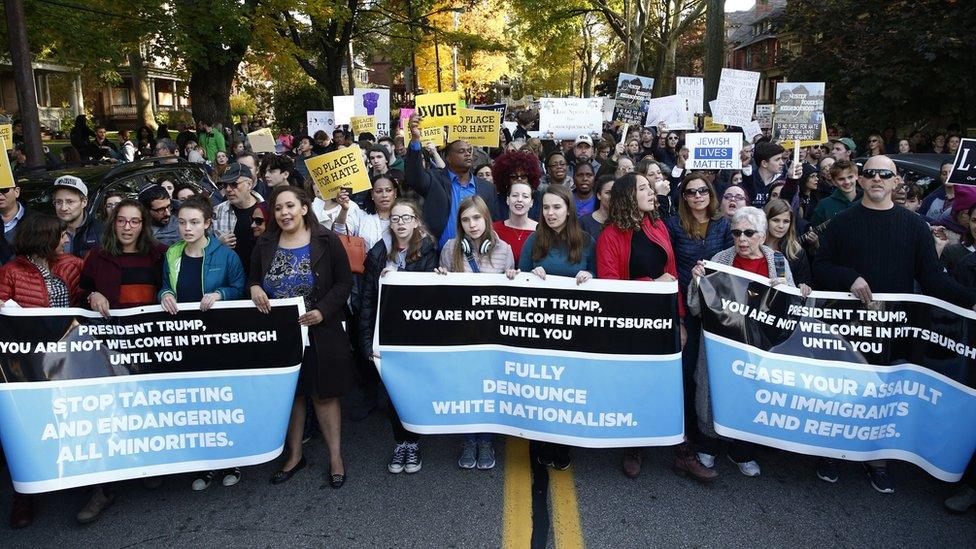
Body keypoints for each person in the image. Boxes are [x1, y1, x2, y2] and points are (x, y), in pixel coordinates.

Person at [813, 155, 976, 492]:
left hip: (894, 327)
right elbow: (821, 265)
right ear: (860, 180)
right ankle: (832, 452)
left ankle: (878, 459)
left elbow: (931, 277)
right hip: (849, 324)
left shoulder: (915, 226)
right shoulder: (842, 222)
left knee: (884, 393)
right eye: (870, 173)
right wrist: (850, 278)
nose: (876, 179)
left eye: (884, 174)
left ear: (895, 181)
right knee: (843, 389)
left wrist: (969, 300)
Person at [251, 186, 354, 488]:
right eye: (279, 208)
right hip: (282, 332)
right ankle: (295, 455)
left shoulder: (326, 239)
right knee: (292, 395)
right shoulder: (266, 242)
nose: (284, 213)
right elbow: (253, 277)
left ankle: (335, 457)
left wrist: (323, 311)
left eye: (290, 206)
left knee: (324, 394)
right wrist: (255, 288)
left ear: (304, 208)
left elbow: (344, 282)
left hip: (321, 329)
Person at [689, 206, 803, 478]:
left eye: (749, 233)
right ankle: (708, 445)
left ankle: (742, 451)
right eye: (737, 232)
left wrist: (785, 291)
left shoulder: (777, 262)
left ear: (762, 236)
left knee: (749, 395)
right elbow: (696, 308)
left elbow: (791, 310)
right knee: (713, 392)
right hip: (721, 345)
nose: (741, 239)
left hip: (757, 349)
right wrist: (696, 282)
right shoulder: (720, 259)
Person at [595, 173, 686, 478]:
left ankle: (680, 447)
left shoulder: (658, 225)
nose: (651, 191)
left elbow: (671, 273)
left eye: (651, 186)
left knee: (668, 382)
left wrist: (680, 319)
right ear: (627, 197)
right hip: (631, 322)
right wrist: (651, 282)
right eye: (644, 188)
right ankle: (634, 445)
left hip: (663, 317)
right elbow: (610, 285)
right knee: (635, 384)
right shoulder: (610, 236)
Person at [0, 214, 83, 529]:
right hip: (27, 364)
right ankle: (25, 496)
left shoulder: (72, 265)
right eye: (61, 235)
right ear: (44, 238)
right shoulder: (10, 272)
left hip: (67, 357)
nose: (65, 239)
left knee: (70, 417)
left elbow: (82, 302)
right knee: (29, 427)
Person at [159, 195, 245, 491]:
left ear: (208, 223)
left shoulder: (225, 255)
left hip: (219, 337)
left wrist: (220, 294)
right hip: (186, 337)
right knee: (196, 402)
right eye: (182, 222)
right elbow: (165, 286)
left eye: (194, 222)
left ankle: (232, 459)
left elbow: (239, 287)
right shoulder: (172, 253)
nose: (187, 228)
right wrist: (164, 295)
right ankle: (206, 464)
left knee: (222, 400)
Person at [510, 185, 595, 470]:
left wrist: (589, 274)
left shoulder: (585, 240)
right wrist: (531, 276)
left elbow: (602, 283)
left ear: (568, 209)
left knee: (567, 389)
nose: (550, 213)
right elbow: (520, 280)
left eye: (556, 207)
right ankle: (539, 441)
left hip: (574, 332)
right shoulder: (534, 241)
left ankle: (562, 444)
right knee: (541, 389)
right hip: (539, 330)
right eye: (546, 208)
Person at [360, 200, 438, 473]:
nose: (401, 223)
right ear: (389, 223)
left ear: (416, 221)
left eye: (407, 218)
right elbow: (367, 300)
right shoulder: (379, 252)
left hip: (417, 334)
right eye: (395, 219)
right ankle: (400, 441)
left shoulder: (429, 249)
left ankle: (413, 441)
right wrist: (367, 341)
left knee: (412, 389)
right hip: (386, 334)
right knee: (393, 391)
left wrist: (399, 275)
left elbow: (428, 293)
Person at [437, 195, 515, 470]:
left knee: (489, 388)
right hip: (463, 334)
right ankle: (469, 439)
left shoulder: (504, 249)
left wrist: (513, 279)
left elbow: (513, 295)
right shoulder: (449, 249)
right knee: (466, 387)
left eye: (477, 218)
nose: (472, 225)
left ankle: (486, 439)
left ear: (486, 218)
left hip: (492, 336)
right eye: (466, 220)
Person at [665, 173, 733, 481]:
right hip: (687, 306)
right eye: (691, 192)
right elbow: (670, 264)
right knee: (689, 370)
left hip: (721, 310)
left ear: (711, 194)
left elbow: (735, 261)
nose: (697, 196)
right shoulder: (674, 224)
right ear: (684, 197)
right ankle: (691, 434)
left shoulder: (723, 224)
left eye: (703, 190)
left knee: (720, 371)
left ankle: (719, 433)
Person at [405, 114, 499, 248]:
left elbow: (493, 223)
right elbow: (414, 177)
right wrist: (415, 139)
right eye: (461, 151)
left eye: (469, 151)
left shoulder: (487, 188)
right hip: (439, 258)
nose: (468, 154)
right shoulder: (435, 179)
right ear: (448, 157)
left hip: (478, 257)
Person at [213, 163, 263, 276]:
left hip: (261, 277)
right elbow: (205, 248)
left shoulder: (267, 209)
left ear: (249, 184)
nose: (228, 189)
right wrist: (218, 244)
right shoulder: (216, 212)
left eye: (234, 184)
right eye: (225, 185)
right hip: (231, 278)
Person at [763, 199, 813, 291]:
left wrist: (803, 287)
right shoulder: (754, 246)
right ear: (766, 220)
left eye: (786, 221)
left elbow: (804, 282)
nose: (781, 226)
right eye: (776, 220)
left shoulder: (796, 251)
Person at [51, 175, 103, 258]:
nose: (63, 208)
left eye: (70, 202)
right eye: (59, 202)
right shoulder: (46, 232)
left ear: (84, 202)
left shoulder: (102, 232)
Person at [493, 175, 538, 261]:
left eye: (525, 196)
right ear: (507, 200)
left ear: (531, 202)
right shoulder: (494, 229)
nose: (519, 200)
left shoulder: (541, 230)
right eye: (515, 195)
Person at [810, 160, 860, 228]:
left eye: (850, 177)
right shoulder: (824, 205)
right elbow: (816, 232)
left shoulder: (868, 199)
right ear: (833, 181)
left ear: (856, 176)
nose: (847, 182)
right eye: (841, 179)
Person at [579, 175, 614, 241]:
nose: (612, 196)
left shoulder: (623, 223)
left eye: (616, 192)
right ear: (599, 195)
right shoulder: (584, 222)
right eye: (608, 193)